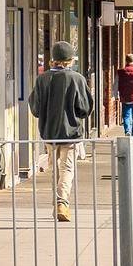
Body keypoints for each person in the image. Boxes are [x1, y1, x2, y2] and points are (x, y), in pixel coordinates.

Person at [30, 42, 93, 223]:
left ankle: (57, 202)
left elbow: (35, 107)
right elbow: (85, 107)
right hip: (71, 132)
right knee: (66, 168)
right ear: (70, 60)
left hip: (49, 131)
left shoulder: (42, 79)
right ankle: (62, 202)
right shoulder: (77, 79)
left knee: (54, 168)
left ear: (52, 61)